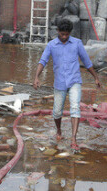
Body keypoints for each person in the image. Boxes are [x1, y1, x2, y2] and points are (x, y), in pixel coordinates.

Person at [33, 19, 101, 149]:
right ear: (58, 31)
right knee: (57, 112)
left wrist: (96, 78)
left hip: (75, 81)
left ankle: (73, 139)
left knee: (75, 108)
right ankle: (59, 130)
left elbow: (87, 62)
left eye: (66, 34)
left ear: (70, 33)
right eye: (62, 34)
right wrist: (36, 77)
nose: (64, 37)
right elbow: (43, 61)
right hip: (59, 83)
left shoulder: (77, 43)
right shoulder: (52, 45)